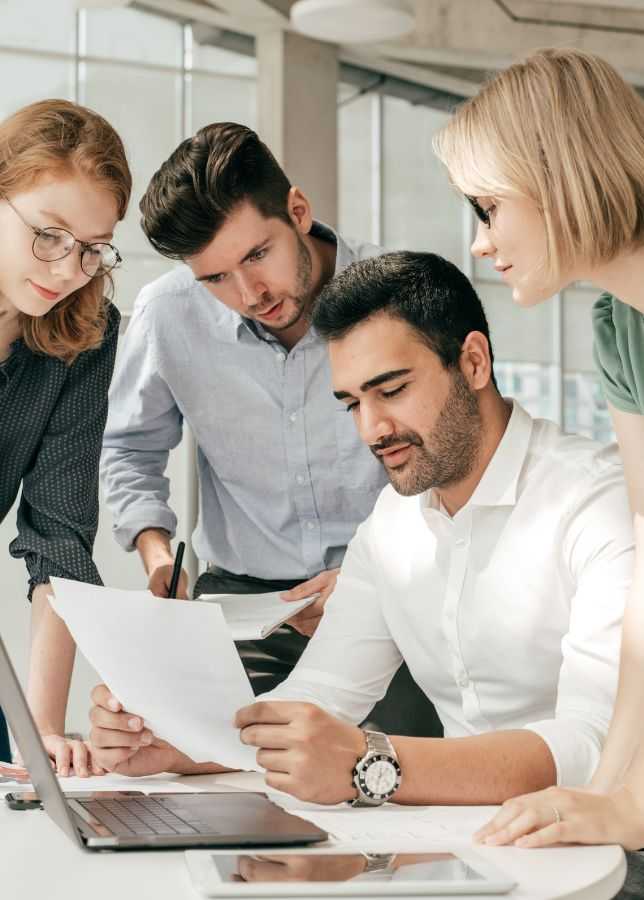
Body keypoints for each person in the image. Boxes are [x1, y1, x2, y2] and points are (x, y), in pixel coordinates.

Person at [89, 252, 632, 808]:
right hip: (467, 845)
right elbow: (320, 696)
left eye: (392, 390)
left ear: (472, 362)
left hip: (599, 858)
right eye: (351, 403)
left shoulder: (598, 501)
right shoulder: (392, 522)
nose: (372, 430)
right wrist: (173, 743)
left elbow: (597, 744)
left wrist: (376, 765)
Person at [100, 122, 440, 738]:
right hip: (239, 608)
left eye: (258, 255)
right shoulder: (168, 313)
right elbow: (129, 448)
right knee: (179, 759)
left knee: (392, 777)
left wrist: (378, 578)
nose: (249, 293)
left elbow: (453, 459)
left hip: (390, 598)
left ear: (299, 211)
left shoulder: (398, 298)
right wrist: (156, 556)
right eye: (215, 278)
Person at [433, 46, 644, 851]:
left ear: (557, 174)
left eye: (488, 207)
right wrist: (601, 796)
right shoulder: (621, 327)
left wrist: (633, 810)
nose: (481, 243)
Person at [0, 99, 131, 773]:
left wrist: (41, 732)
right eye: (48, 235)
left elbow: (57, 543)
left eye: (91, 250)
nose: (64, 270)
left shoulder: (86, 338)